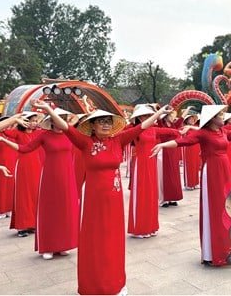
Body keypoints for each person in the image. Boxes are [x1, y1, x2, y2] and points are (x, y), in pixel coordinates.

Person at [31, 99, 172, 295]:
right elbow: (66, 128)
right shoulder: (85, 142)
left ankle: (115, 283)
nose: (105, 124)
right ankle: (92, 285)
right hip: (93, 200)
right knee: (94, 241)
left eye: (108, 121)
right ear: (92, 126)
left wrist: (159, 113)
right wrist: (48, 110)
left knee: (113, 241)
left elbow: (143, 126)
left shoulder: (118, 140)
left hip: (114, 200)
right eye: (101, 121)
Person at [151, 105, 231, 266]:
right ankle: (212, 251)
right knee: (215, 208)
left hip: (225, 171)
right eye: (220, 116)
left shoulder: (223, 132)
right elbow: (184, 141)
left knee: (230, 206)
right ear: (212, 119)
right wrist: (163, 145)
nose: (223, 118)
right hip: (212, 172)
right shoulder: (203, 133)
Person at [0, 107, 80, 260]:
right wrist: (4, 140)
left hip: (68, 177)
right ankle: (48, 246)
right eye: (58, 118)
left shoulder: (70, 134)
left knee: (65, 209)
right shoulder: (44, 136)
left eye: (64, 118)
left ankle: (64, 244)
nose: (61, 121)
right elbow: (25, 149)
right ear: (51, 120)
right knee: (49, 210)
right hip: (49, 177)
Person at [127, 104, 180, 238]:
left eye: (147, 115)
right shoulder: (135, 130)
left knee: (151, 194)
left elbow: (171, 132)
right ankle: (139, 228)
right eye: (142, 115)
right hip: (141, 164)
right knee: (141, 194)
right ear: (137, 118)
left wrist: (183, 132)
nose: (145, 117)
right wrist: (160, 112)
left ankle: (150, 226)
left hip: (152, 163)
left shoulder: (154, 130)